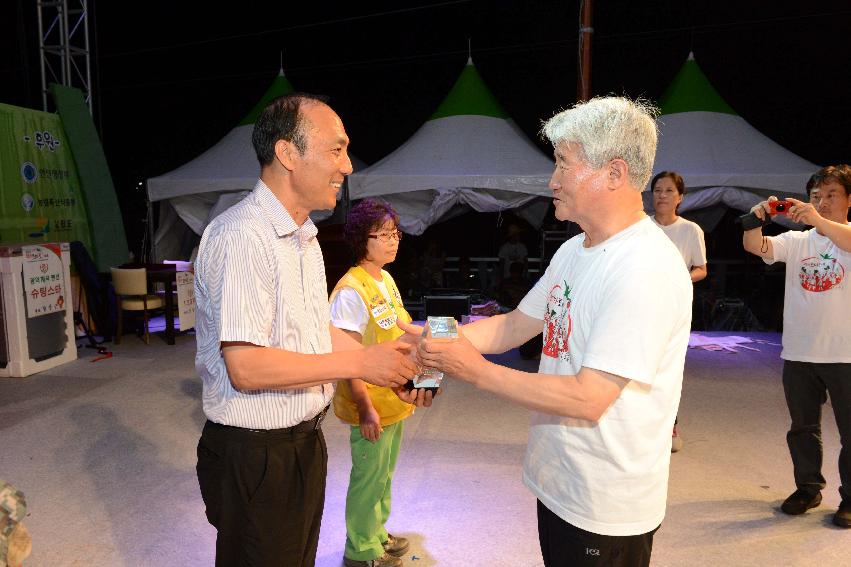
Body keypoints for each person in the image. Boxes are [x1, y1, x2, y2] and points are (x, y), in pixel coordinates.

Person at [409, 96, 692, 566]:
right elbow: (514, 326)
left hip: (603, 506)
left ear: (614, 174)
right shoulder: (575, 250)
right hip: (560, 483)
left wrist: (473, 370)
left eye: (564, 163)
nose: (552, 180)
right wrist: (432, 338)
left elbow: (589, 397)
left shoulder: (645, 266)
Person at [193, 93, 424, 567]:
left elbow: (317, 332)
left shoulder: (305, 239)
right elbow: (246, 367)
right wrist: (361, 362)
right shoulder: (243, 236)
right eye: (336, 150)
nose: (347, 166)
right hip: (255, 453)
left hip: (303, 442)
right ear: (288, 154)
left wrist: (395, 365)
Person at [742, 164, 851, 528]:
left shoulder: (847, 235)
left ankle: (850, 498)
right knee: (802, 427)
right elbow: (755, 245)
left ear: (849, 200)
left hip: (845, 354)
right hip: (800, 352)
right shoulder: (798, 241)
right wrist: (756, 218)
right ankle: (808, 488)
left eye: (831, 195)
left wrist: (817, 218)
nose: (822, 201)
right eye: (816, 196)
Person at [329, 199, 414, 567]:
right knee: (368, 477)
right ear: (361, 240)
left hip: (392, 398)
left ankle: (377, 533)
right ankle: (360, 551)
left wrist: (436, 334)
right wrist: (365, 408)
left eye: (396, 233)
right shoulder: (351, 290)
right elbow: (348, 358)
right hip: (371, 404)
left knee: (385, 472)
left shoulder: (385, 278)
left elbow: (399, 326)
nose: (393, 241)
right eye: (384, 235)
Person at [651, 170, 709, 452]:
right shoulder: (641, 227)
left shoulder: (690, 230)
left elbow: (701, 269)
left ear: (680, 197)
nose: (662, 196)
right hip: (638, 307)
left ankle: (670, 427)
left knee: (668, 371)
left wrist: (679, 278)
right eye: (658, 190)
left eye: (669, 191)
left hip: (673, 311)